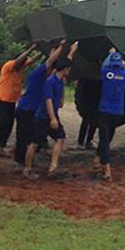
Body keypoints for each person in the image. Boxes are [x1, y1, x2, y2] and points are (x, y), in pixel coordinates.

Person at [24, 41, 78, 179]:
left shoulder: (60, 80)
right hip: (43, 116)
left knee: (60, 137)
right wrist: (53, 118)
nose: (69, 71)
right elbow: (47, 100)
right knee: (35, 143)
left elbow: (67, 62)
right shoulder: (50, 82)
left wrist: (72, 51)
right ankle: (27, 169)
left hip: (52, 115)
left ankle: (53, 167)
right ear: (65, 69)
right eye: (68, 69)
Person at [14, 39, 66, 168]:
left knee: (35, 137)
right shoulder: (39, 73)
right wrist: (62, 46)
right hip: (26, 109)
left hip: (34, 110)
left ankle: (28, 161)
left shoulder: (47, 78)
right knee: (24, 137)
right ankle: (21, 163)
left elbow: (50, 59)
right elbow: (50, 61)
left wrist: (55, 50)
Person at [0, 44, 39, 157]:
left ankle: (0, 147)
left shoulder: (20, 68)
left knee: (9, 125)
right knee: (2, 123)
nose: (24, 65)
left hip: (11, 101)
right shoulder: (9, 65)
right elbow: (19, 61)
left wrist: (43, 52)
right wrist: (31, 49)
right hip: (1, 99)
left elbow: (31, 61)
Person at [95, 48, 125, 181]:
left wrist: (110, 53)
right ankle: (99, 158)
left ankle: (107, 169)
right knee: (108, 138)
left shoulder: (106, 73)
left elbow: (104, 65)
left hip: (104, 110)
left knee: (104, 140)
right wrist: (123, 61)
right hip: (117, 112)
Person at [75, 78, 100, 148]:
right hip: (88, 100)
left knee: (93, 121)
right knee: (86, 121)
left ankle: (88, 140)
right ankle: (81, 141)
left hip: (95, 99)